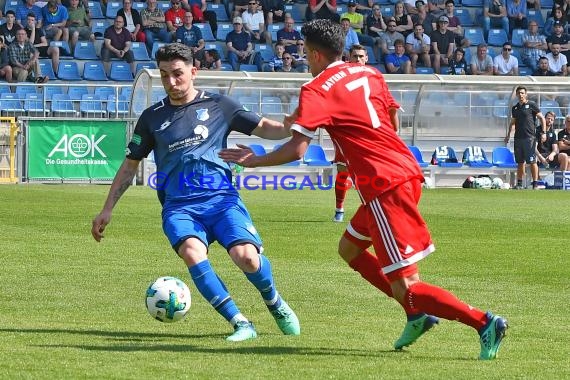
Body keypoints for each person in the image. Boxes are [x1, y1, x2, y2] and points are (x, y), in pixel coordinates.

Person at [219, 19, 508, 360]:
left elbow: (297, 147)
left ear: (313, 53)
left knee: (408, 286)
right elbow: (379, 118)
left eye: (303, 52)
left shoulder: (317, 89)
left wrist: (255, 161)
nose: (303, 57)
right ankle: (415, 316)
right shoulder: (368, 73)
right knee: (349, 249)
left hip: (385, 185)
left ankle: (483, 321)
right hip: (399, 171)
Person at [91, 42, 300, 342]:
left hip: (222, 201)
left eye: (177, 74)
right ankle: (241, 323)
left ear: (194, 71)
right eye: (164, 75)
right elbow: (129, 166)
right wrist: (107, 208)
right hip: (179, 207)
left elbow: (266, 127)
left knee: (247, 258)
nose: (171, 82)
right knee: (192, 252)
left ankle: (275, 303)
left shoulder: (219, 105)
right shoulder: (152, 118)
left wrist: (289, 127)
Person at [504, 86, 546, 189]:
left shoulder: (531, 105)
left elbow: (542, 118)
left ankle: (535, 184)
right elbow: (513, 123)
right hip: (518, 138)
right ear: (517, 95)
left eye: (522, 93)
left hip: (529, 138)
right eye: (519, 93)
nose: (520, 95)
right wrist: (508, 134)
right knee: (520, 162)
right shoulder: (515, 108)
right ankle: (519, 184)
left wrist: (544, 132)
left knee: (532, 161)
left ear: (526, 94)